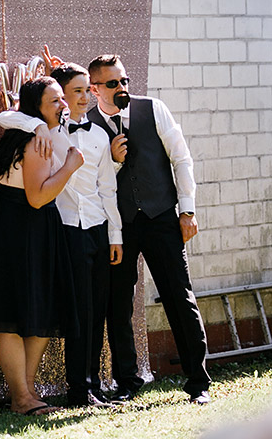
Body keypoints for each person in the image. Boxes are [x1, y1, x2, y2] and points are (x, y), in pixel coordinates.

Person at [85, 54, 211, 404]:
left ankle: (198, 382)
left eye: (124, 80)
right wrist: (111, 159)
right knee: (118, 306)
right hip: (118, 229)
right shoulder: (89, 125)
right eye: (113, 83)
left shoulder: (153, 109)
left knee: (179, 296)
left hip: (161, 218)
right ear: (95, 89)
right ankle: (127, 383)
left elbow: (181, 158)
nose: (122, 88)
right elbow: (90, 180)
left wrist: (187, 210)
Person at [0, 62, 125, 407]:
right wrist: (37, 124)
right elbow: (6, 118)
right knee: (66, 312)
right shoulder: (42, 132)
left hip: (87, 227)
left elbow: (106, 188)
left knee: (85, 309)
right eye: (72, 93)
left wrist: (115, 235)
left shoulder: (94, 133)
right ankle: (70, 389)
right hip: (56, 227)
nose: (80, 99)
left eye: (88, 91)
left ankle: (85, 386)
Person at [0, 77, 84, 415]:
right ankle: (21, 396)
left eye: (63, 98)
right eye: (55, 101)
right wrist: (70, 167)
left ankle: (27, 391)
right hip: (22, 226)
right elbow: (37, 198)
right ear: (37, 107)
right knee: (12, 314)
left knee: (38, 310)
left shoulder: (38, 133)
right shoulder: (35, 142)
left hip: (27, 227)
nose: (63, 105)